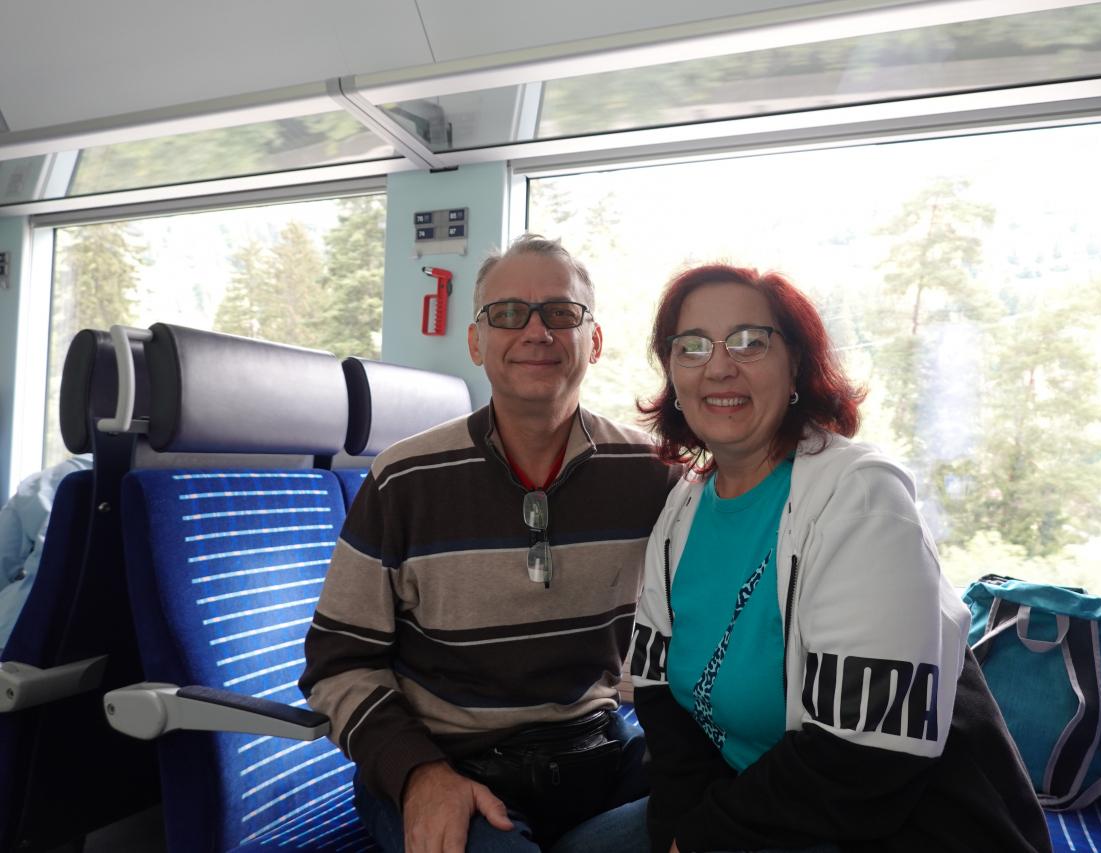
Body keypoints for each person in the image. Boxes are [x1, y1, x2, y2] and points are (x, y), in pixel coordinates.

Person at [627, 264, 1051, 852]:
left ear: (795, 365)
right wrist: (675, 832)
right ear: (673, 373)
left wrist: (699, 838)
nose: (719, 366)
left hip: (902, 825)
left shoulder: (862, 496)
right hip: (752, 805)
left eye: (750, 341)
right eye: (692, 346)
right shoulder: (684, 507)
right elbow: (661, 700)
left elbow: (865, 756)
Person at [299, 235, 676, 853]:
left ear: (595, 341)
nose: (536, 332)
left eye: (561, 312)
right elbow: (338, 662)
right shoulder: (404, 479)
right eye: (508, 313)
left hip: (601, 754)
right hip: (447, 763)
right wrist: (418, 773)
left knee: (748, 817)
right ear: (476, 342)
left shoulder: (651, 475)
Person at [0, 454, 94, 650]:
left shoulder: (52, 481)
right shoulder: (159, 482)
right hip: (121, 641)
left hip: (24, 634)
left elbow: (3, 558)